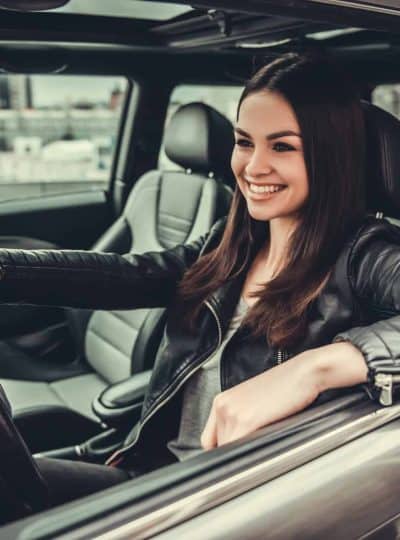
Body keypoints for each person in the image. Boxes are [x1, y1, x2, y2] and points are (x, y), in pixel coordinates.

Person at [1, 52, 400, 510]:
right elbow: (130, 276)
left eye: (282, 146)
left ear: (330, 156)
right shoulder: (236, 240)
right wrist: (8, 269)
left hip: (223, 500)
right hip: (154, 474)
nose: (252, 168)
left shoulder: (366, 254)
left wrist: (313, 368)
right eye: (245, 142)